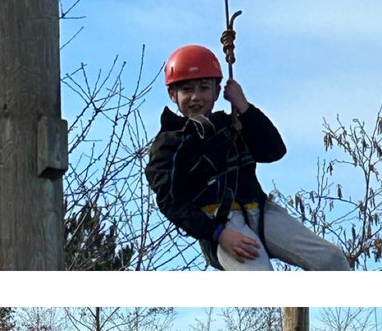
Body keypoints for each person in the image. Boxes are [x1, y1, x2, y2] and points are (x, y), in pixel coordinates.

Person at [145, 44, 350, 271]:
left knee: (332, 260)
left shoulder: (231, 124)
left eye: (204, 88)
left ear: (216, 91)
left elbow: (272, 151)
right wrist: (218, 234)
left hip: (260, 211)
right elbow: (171, 201)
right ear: (173, 94)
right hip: (220, 223)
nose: (195, 97)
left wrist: (243, 105)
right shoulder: (169, 143)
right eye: (186, 90)